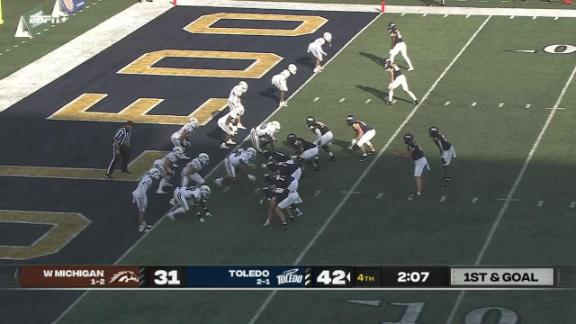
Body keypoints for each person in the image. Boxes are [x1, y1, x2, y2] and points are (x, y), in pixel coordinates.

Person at [394, 133, 430, 199]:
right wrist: (399, 152)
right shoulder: (413, 143)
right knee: (418, 176)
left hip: (420, 161)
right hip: (420, 160)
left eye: (405, 139)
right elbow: (409, 153)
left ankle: (418, 192)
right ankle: (419, 189)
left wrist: (398, 154)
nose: (404, 141)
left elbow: (407, 156)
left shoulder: (410, 146)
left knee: (417, 177)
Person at [132, 168, 162, 232]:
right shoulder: (148, 180)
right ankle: (141, 227)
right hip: (140, 196)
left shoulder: (146, 176)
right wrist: (145, 200)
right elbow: (143, 191)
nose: (158, 176)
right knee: (142, 211)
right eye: (157, 174)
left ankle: (143, 223)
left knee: (142, 210)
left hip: (137, 194)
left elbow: (139, 185)